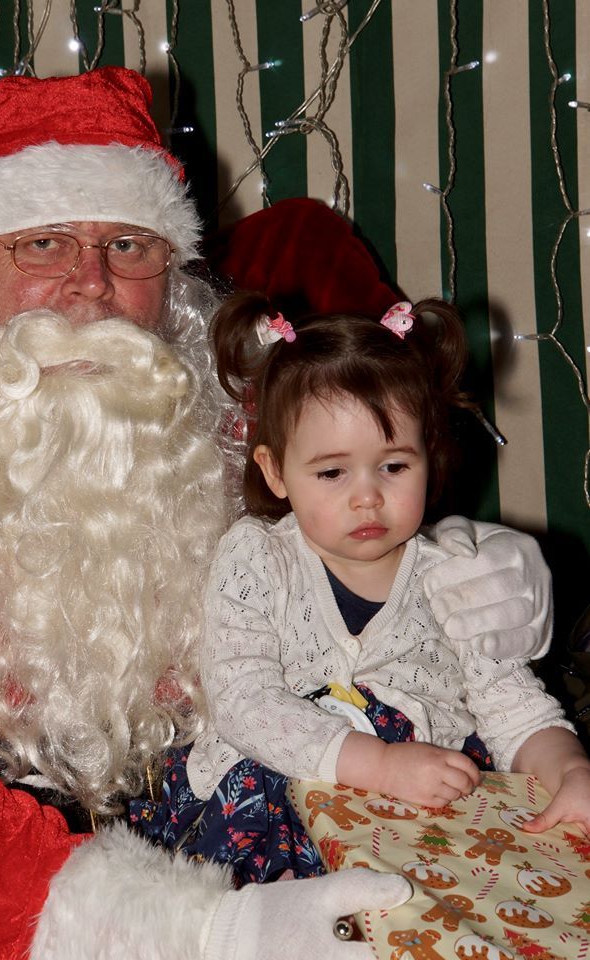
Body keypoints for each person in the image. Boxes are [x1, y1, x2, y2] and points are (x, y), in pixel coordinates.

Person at [0, 66, 557, 960]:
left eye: (128, 245)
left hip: (247, 811)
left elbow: (361, 548)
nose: (90, 285)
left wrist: (470, 568)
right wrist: (199, 929)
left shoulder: (237, 427)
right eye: (40, 243)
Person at [155, 294, 586, 860]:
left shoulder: (455, 575)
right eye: (332, 472)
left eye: (394, 466)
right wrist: (376, 762)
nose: (367, 497)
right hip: (275, 804)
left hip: (420, 823)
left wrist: (571, 769)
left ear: (429, 457)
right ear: (275, 470)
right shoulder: (257, 558)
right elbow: (243, 700)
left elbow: (514, 707)